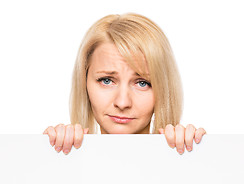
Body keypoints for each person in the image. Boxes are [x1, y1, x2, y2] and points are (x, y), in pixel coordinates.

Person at [43, 12, 206, 155]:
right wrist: (48, 154)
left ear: (164, 89)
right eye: (106, 81)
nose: (122, 103)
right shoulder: (59, 156)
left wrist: (197, 154)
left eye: (142, 83)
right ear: (84, 83)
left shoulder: (192, 155)